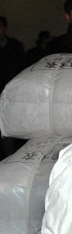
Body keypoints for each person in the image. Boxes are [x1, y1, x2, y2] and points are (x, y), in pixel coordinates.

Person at [0, 15, 26, 158]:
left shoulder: (15, 46)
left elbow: (22, 68)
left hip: (12, 94)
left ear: (5, 28)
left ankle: (11, 158)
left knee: (10, 129)